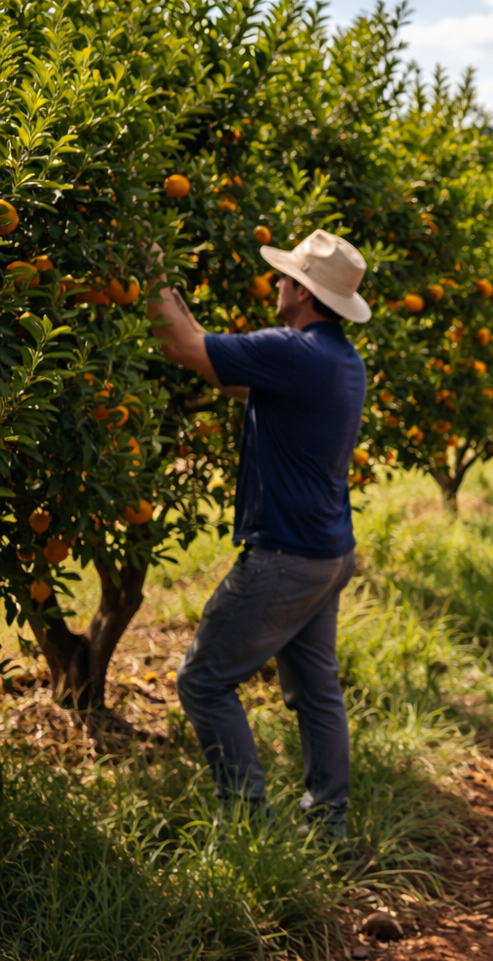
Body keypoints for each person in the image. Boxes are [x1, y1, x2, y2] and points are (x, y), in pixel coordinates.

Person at [150, 229, 371, 839]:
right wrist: (175, 297)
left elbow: (183, 347)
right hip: (328, 552)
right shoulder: (339, 358)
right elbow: (221, 372)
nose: (275, 283)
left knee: (204, 681)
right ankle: (328, 824)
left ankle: (247, 823)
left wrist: (146, 265)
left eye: (284, 277)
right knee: (316, 692)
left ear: (301, 291)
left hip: (285, 557)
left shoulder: (294, 352)